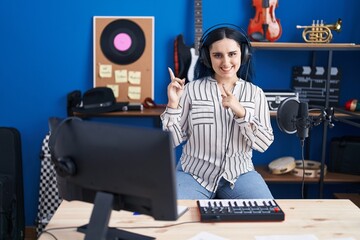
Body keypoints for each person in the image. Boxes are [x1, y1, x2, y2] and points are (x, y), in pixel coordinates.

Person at [161, 25, 274, 199]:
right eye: (218, 55)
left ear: (242, 54)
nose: (226, 62)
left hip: (240, 174)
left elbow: (263, 144)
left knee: (265, 216)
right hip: (194, 174)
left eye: (232, 54)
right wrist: (173, 105)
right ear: (207, 57)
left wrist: (241, 113)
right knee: (175, 214)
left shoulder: (255, 93)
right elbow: (172, 141)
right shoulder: (190, 90)